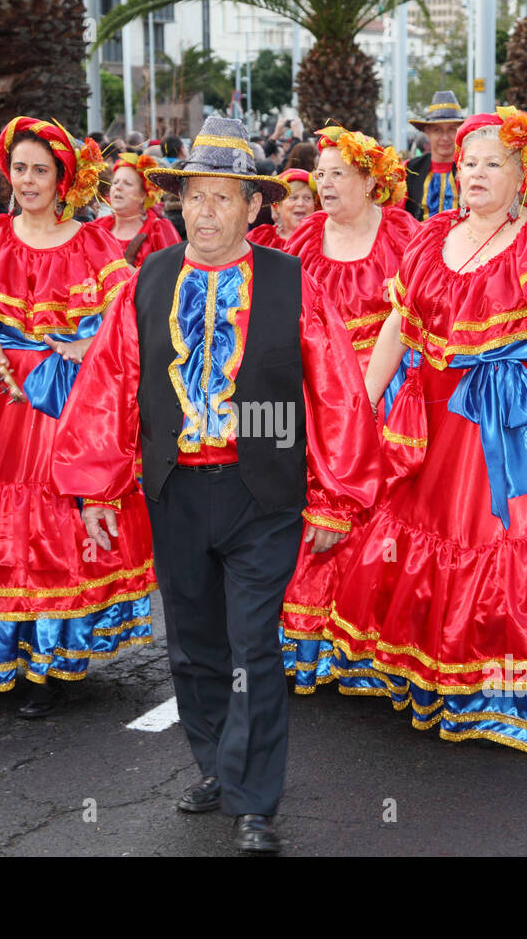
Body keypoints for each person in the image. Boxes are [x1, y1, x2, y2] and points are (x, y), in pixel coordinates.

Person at [52, 116, 382, 853]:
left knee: (252, 645)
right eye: (194, 197)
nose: (205, 213)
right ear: (179, 205)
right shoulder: (150, 279)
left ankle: (256, 799)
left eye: (222, 198)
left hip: (262, 492)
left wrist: (337, 496)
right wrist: (98, 489)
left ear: (252, 208)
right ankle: (217, 766)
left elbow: (336, 394)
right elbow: (110, 382)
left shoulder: (293, 282)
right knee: (194, 648)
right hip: (175, 492)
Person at [326, 108, 527, 753]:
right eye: (469, 162)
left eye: (492, 163)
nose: (475, 173)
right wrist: (361, 406)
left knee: (520, 540)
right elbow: (398, 326)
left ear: (524, 172)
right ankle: (448, 680)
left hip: (523, 420)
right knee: (431, 533)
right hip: (441, 419)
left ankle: (514, 693)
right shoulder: (430, 238)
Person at [0, 116, 157, 717]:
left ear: (62, 179)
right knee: (6, 512)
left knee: (58, 507)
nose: (28, 180)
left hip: (66, 402)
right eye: (21, 169)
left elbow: (125, 317)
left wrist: (85, 348)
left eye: (41, 171)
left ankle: (51, 663)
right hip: (7, 396)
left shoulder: (92, 243)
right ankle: (7, 648)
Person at [276, 126, 415, 692]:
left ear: (370, 181)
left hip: (389, 389)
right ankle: (315, 644)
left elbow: (421, 313)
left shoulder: (406, 235)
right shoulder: (304, 241)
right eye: (320, 174)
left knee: (383, 513)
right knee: (318, 511)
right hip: (320, 397)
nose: (324, 184)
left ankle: (371, 647)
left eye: (337, 174)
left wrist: (373, 388)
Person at [91, 152, 181, 267]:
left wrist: (136, 276)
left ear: (144, 194)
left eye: (127, 184)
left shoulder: (159, 231)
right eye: (115, 182)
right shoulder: (97, 228)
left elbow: (172, 276)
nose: (118, 187)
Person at [404, 90, 465, 221]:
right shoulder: (409, 170)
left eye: (452, 129)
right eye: (437, 130)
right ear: (427, 132)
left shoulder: (471, 168)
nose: (445, 137)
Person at [245, 168, 316, 249]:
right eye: (294, 198)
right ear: (278, 206)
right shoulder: (259, 238)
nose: (300, 203)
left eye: (307, 198)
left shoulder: (324, 239)